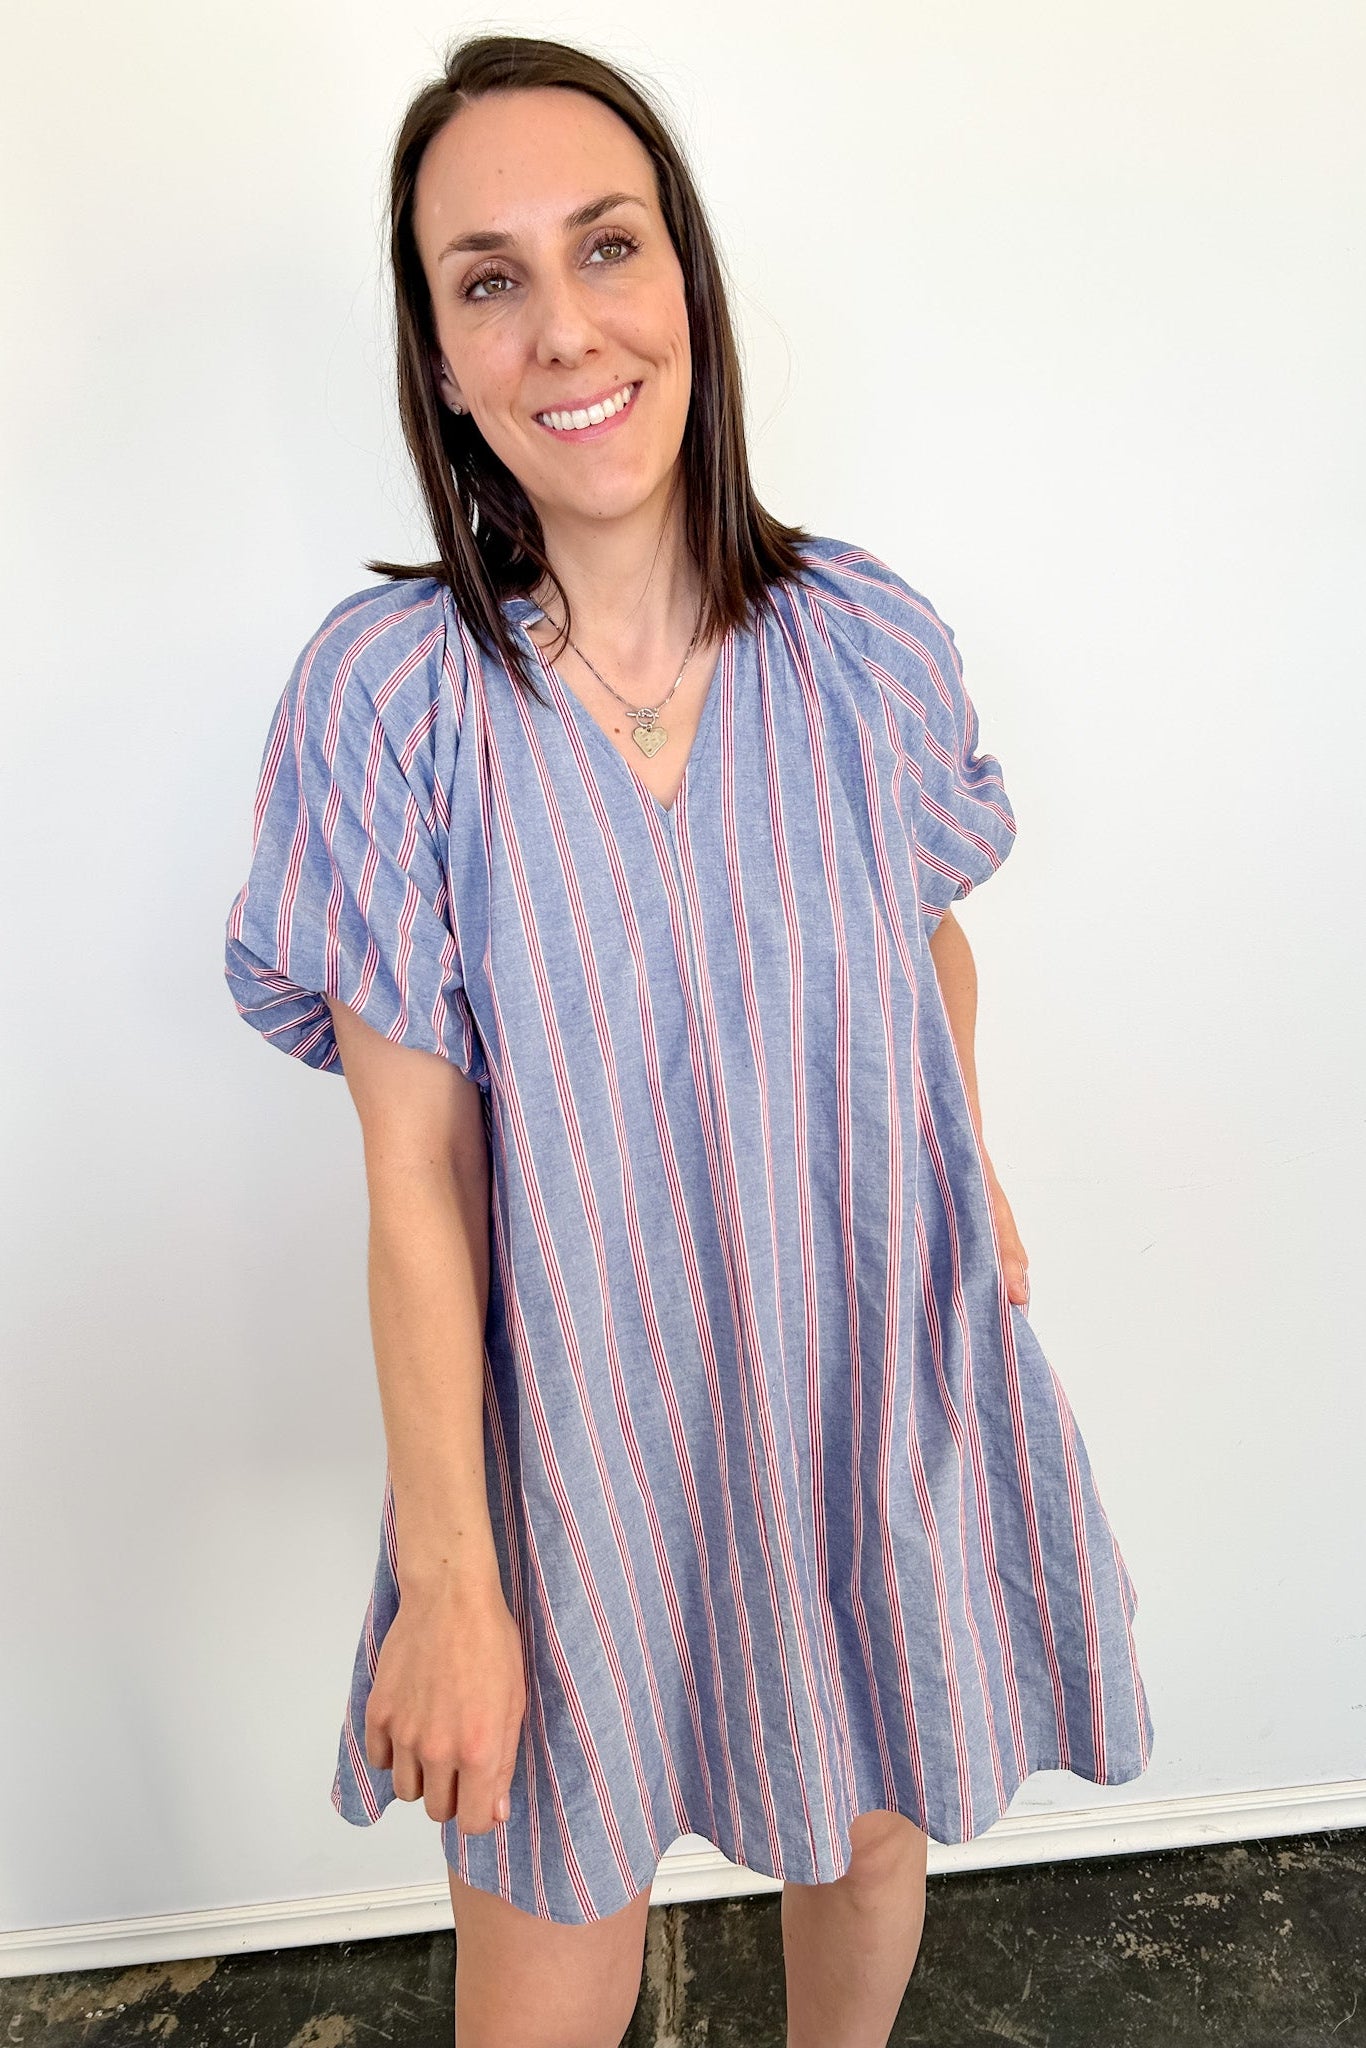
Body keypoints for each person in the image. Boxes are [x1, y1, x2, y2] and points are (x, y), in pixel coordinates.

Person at [224, 32, 1154, 2048]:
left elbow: (923, 943)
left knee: (869, 1831)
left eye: (605, 246)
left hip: (859, 1367)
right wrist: (453, 1583)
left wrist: (964, 1164)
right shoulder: (392, 703)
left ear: (686, 284)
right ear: (443, 356)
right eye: (488, 278)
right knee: (545, 1939)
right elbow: (412, 1169)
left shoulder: (867, 644)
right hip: (567, 1435)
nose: (563, 324)